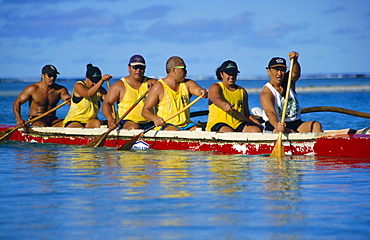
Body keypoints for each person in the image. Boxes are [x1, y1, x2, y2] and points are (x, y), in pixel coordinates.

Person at [260, 51, 322, 133]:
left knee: (316, 125)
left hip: (296, 123)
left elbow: (295, 73)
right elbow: (270, 112)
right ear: (268, 71)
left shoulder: (289, 82)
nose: (279, 73)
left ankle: (315, 144)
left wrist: (295, 61)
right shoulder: (267, 92)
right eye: (276, 70)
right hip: (276, 125)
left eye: (282, 70)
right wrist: (277, 125)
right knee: (280, 131)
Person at [141, 56, 207, 131]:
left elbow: (198, 90)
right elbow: (145, 111)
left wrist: (201, 91)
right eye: (183, 68)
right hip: (166, 125)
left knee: (200, 130)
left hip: (187, 124)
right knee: (175, 131)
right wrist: (155, 118)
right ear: (174, 70)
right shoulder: (159, 87)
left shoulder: (187, 84)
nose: (186, 72)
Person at [102, 54, 157, 130]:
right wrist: (110, 119)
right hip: (127, 122)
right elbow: (107, 103)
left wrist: (156, 90)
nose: (138, 70)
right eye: (135, 67)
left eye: (141, 67)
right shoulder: (119, 86)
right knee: (134, 127)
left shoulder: (153, 83)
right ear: (129, 68)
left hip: (149, 122)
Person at [206, 60, 262, 132]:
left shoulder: (242, 91)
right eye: (228, 74)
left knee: (256, 130)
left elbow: (246, 114)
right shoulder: (216, 87)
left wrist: (257, 123)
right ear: (221, 74)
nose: (231, 76)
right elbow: (215, 98)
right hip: (219, 123)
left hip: (238, 123)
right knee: (229, 133)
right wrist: (224, 105)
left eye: (234, 74)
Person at [63, 64, 113, 128]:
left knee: (98, 124)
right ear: (86, 77)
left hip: (91, 120)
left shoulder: (101, 91)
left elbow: (108, 105)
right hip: (75, 120)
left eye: (97, 81)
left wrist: (112, 120)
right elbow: (88, 94)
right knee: (75, 127)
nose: (95, 84)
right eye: (93, 81)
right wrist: (102, 80)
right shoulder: (78, 86)